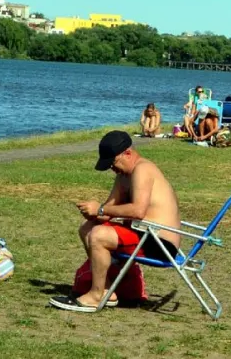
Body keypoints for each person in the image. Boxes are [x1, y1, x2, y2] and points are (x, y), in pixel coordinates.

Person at [50, 130, 181, 313]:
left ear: (127, 153)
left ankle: (96, 296)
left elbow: (138, 210)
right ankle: (106, 289)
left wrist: (101, 210)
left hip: (160, 242)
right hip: (144, 233)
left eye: (113, 162)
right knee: (87, 228)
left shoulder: (142, 169)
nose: (112, 168)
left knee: (99, 236)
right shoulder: (124, 175)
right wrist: (94, 214)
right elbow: (108, 210)